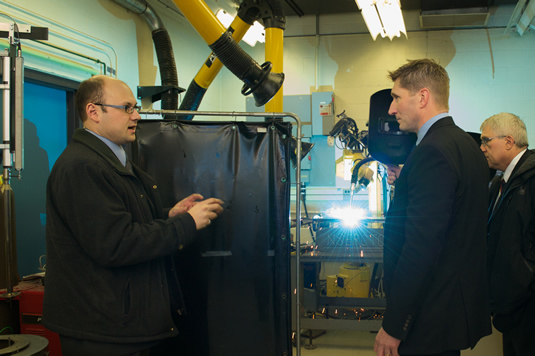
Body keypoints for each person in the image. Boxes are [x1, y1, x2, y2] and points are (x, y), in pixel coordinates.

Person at [42, 75, 224, 356]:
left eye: (135, 107)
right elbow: (116, 244)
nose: (136, 115)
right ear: (93, 112)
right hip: (101, 331)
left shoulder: (110, 160)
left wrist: (169, 214)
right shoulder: (82, 167)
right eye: (127, 108)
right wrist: (185, 224)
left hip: (120, 325)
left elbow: (120, 221)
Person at [374, 59, 491, 356]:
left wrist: (394, 325)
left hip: (428, 314)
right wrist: (407, 180)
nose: (391, 108)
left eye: (397, 97)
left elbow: (421, 247)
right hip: (451, 308)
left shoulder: (431, 152)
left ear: (422, 97)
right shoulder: (465, 145)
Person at [480, 112, 535, 356]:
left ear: (509, 141)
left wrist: (523, 281)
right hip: (510, 305)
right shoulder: (500, 182)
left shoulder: (531, 180)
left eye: (486, 141)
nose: (482, 148)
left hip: (528, 305)